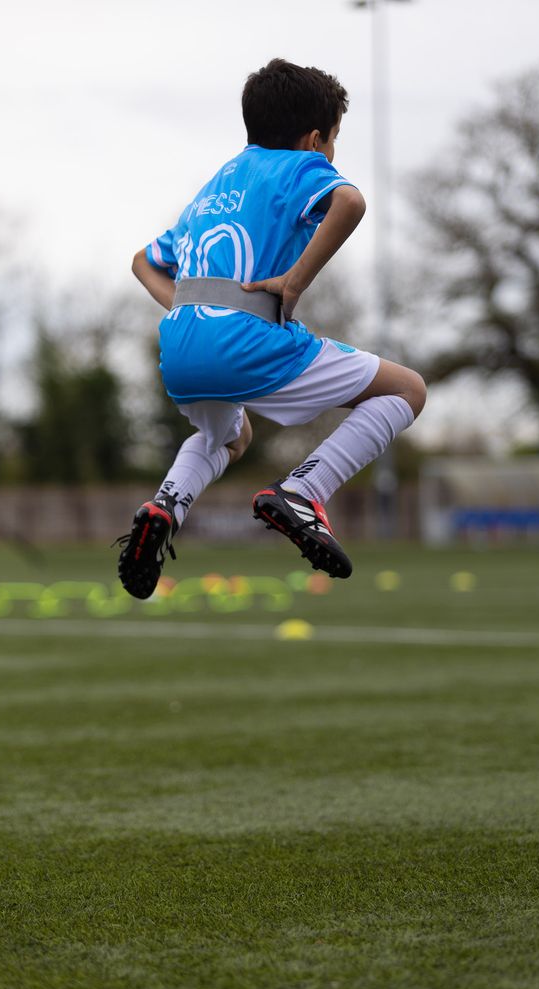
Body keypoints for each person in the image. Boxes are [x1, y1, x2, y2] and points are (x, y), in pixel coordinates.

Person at [116, 57, 426, 599]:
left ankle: (165, 505)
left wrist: (183, 307)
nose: (333, 153)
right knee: (406, 389)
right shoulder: (298, 165)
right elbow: (349, 203)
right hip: (247, 340)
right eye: (334, 140)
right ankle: (305, 491)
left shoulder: (216, 184)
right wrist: (295, 282)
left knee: (228, 436)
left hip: (182, 350)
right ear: (314, 139)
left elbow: (144, 260)